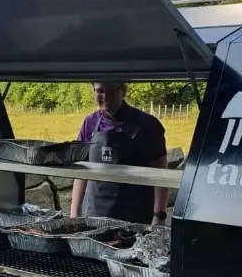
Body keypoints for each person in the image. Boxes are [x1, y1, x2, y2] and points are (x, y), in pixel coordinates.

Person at [70, 82, 169, 225]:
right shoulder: (89, 123)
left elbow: (161, 174)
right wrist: (74, 214)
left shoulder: (148, 125)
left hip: (134, 217)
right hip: (94, 215)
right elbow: (80, 171)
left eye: (111, 90)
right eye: (100, 91)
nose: (105, 96)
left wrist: (159, 216)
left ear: (123, 90)